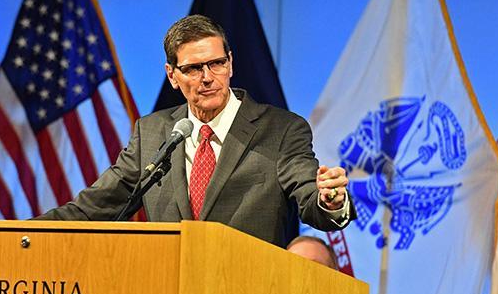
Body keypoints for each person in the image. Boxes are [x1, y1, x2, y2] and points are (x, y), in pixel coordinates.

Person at [38, 15, 353, 246]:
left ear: (230, 64)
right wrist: (19, 235)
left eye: (215, 64)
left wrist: (331, 200)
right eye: (192, 68)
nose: (207, 77)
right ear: (172, 75)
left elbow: (311, 200)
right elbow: (97, 206)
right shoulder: (153, 133)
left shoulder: (281, 130)